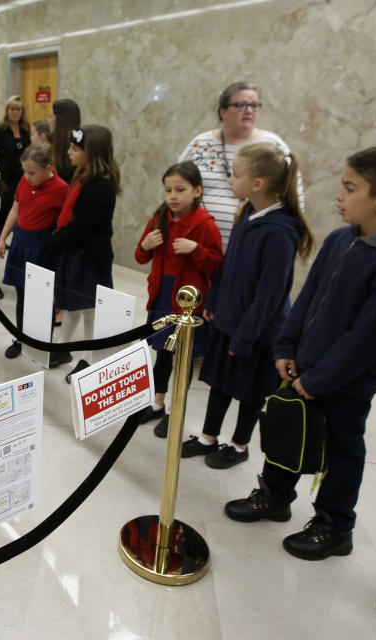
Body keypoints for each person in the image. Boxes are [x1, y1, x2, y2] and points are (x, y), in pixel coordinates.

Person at [225, 144, 376, 561]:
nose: (339, 195)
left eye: (350, 187)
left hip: (345, 384)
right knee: (287, 429)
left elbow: (365, 340)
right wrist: (286, 345)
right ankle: (275, 495)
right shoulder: (341, 239)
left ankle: (334, 524)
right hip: (302, 367)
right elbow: (307, 298)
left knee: (342, 447)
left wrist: (317, 380)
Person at [179, 144, 313, 462]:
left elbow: (270, 294)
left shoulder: (280, 232)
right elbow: (229, 265)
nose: (229, 180)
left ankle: (239, 445)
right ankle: (208, 437)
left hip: (257, 332)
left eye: (236, 174)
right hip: (230, 320)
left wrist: (245, 336)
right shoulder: (247, 213)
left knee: (250, 392)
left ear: (259, 182)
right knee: (220, 383)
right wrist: (214, 298)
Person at [135, 161, 223, 436]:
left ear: (197, 191)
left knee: (182, 358)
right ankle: (157, 402)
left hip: (188, 301)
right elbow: (140, 256)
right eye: (168, 189)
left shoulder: (204, 225)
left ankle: (176, 411)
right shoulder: (159, 218)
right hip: (162, 294)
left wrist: (196, 249)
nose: (172, 196)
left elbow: (217, 266)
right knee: (162, 351)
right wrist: (145, 246)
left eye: (180, 190)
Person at [179, 81, 300, 249]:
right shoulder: (200, 144)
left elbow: (293, 197)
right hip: (198, 247)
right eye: (241, 105)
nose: (249, 110)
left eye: (254, 105)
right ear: (223, 111)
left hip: (251, 247)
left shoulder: (273, 145)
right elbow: (176, 186)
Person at [45, 126, 120, 381]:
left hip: (88, 255)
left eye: (75, 149)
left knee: (89, 309)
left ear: (93, 153)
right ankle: (61, 346)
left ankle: (89, 359)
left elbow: (82, 226)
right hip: (73, 251)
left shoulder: (102, 185)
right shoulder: (82, 175)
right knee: (73, 305)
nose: (69, 153)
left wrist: (54, 241)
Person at [0, 142, 67, 359]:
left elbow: (65, 223)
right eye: (25, 172)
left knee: (42, 299)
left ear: (48, 168)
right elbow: (16, 208)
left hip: (42, 248)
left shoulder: (61, 189)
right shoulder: (25, 180)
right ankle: (20, 337)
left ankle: (43, 344)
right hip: (20, 242)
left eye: (32, 173)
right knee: (21, 294)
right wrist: (2, 236)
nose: (27, 176)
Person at [0, 95, 31, 241]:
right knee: (7, 205)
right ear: (7, 110)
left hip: (22, 174)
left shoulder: (26, 129)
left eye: (18, 110)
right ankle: (0, 235)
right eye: (12, 109)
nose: (15, 112)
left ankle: (13, 236)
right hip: (3, 174)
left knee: (19, 205)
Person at [48, 99, 81, 183]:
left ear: (61, 120)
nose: (48, 121)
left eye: (50, 117)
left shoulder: (79, 146)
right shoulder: (56, 143)